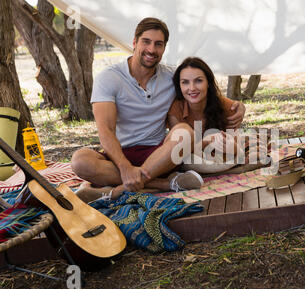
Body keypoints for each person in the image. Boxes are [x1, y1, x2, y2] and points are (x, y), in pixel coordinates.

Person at [71, 17, 245, 203]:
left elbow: (202, 91)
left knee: (185, 133)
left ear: (164, 48)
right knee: (80, 161)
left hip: (160, 155)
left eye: (158, 44)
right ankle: (165, 184)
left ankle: (117, 191)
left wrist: (238, 105)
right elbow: (105, 130)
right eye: (146, 42)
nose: (152, 50)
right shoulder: (109, 78)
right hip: (119, 155)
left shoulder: (171, 76)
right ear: (134, 42)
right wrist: (124, 167)